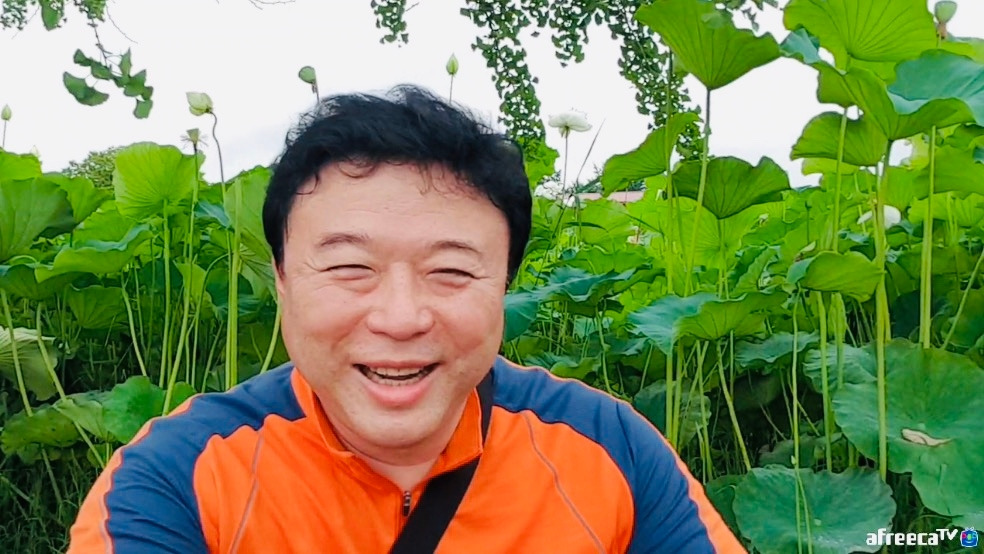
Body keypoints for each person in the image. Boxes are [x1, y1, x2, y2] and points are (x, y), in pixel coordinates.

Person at [67, 85, 744, 553]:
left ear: (504, 284)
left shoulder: (609, 450)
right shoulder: (177, 477)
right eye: (349, 267)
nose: (400, 318)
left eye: (451, 271)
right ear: (282, 280)